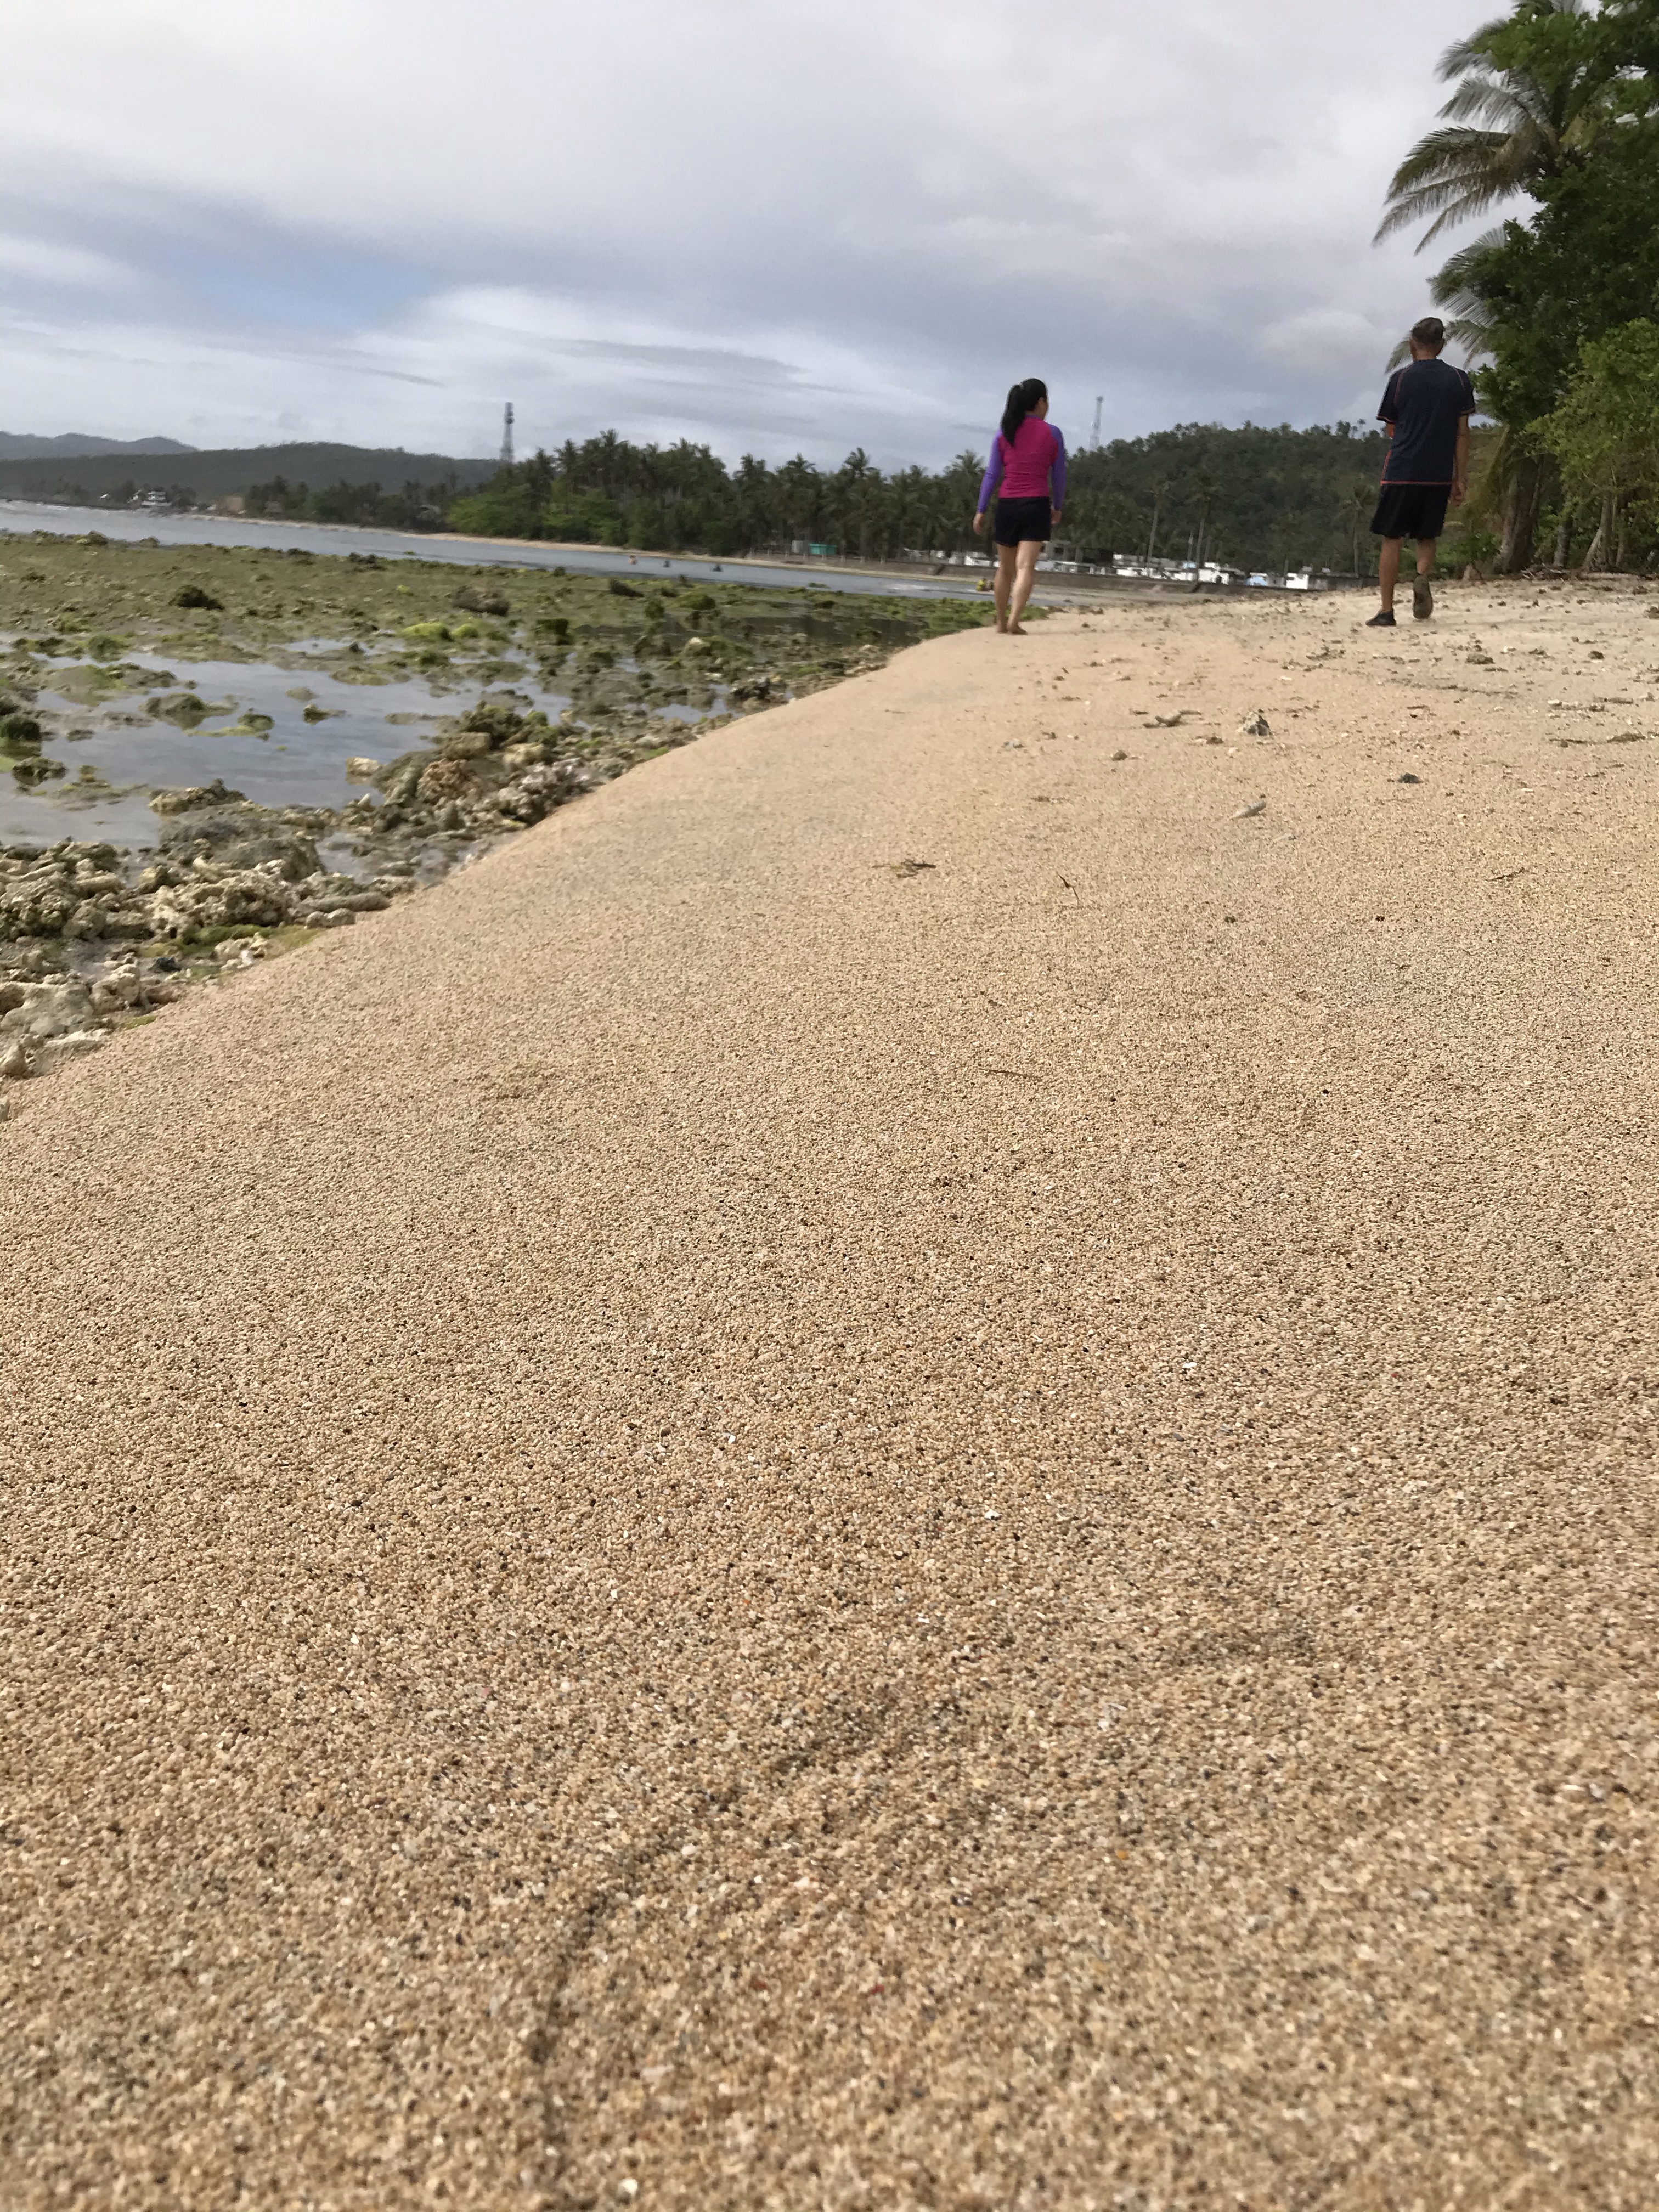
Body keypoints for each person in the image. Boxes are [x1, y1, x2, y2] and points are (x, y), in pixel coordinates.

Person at [1367, 317, 1475, 628]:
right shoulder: (1459, 380)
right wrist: (1460, 477)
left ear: (1413, 344)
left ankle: (1387, 611)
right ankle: (1421, 576)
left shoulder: (1401, 379)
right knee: (1427, 536)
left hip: (1402, 470)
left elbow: (1391, 427)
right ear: (1441, 345)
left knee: (1392, 538)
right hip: (1438, 472)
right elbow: (1463, 433)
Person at [973, 379, 1067, 634]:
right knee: (1025, 567)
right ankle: (1015, 621)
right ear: (1040, 402)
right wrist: (1058, 505)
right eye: (1047, 402)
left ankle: (1001, 622)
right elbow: (1059, 475)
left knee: (1005, 569)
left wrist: (981, 509)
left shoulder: (1004, 433)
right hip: (1036, 504)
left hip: (1007, 505)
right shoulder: (1053, 433)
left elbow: (992, 475)